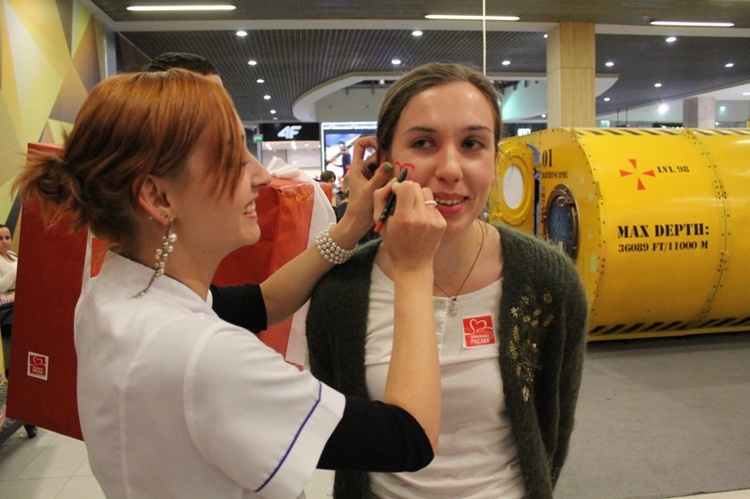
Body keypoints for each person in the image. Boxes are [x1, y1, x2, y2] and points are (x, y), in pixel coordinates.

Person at [15, 69, 448, 498]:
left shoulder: (112, 293)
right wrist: (414, 270)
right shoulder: (205, 357)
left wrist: (350, 225)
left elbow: (260, 303)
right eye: (234, 159)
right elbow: (408, 438)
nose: (261, 176)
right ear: (159, 198)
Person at [305, 63, 589, 499]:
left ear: (495, 160)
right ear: (384, 161)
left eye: (473, 144)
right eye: (423, 143)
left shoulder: (546, 281)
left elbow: (553, 428)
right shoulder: (341, 293)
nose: (451, 169)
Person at [0, 224, 17, 302]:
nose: (5, 241)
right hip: (7, 304)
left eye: (7, 238)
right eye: (0, 238)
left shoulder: (12, 254)